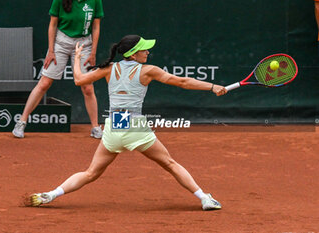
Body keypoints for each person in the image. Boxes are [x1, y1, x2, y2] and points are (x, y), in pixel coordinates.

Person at [26, 35, 227, 211]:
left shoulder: (109, 69)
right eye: (143, 49)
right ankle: (204, 198)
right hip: (135, 126)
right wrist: (212, 87)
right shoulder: (148, 70)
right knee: (170, 164)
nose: (147, 52)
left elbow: (78, 80)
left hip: (114, 125)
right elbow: (182, 82)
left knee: (90, 173)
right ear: (132, 54)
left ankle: (52, 194)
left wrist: (76, 59)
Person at [12, 0, 104, 139]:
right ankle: (21, 122)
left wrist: (93, 53)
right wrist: (51, 50)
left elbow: (96, 27)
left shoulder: (95, 1)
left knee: (87, 87)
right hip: (61, 43)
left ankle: (95, 127)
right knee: (44, 83)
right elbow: (53, 24)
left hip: (84, 44)